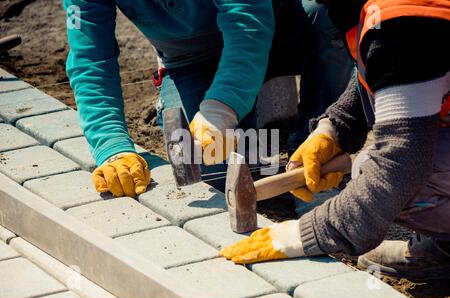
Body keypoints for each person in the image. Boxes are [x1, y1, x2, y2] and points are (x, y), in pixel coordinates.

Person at [221, 0, 450, 280]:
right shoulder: (380, 12)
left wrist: (310, 232)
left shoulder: (401, 21)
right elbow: (390, 70)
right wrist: (335, 128)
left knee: (379, 174)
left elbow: (401, 167)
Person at [63, 0, 352, 197]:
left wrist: (221, 107)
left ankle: (313, 143)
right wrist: (112, 146)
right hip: (191, 60)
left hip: (276, 25)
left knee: (332, 15)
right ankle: (262, 106)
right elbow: (91, 59)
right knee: (213, 170)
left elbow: (246, 22)